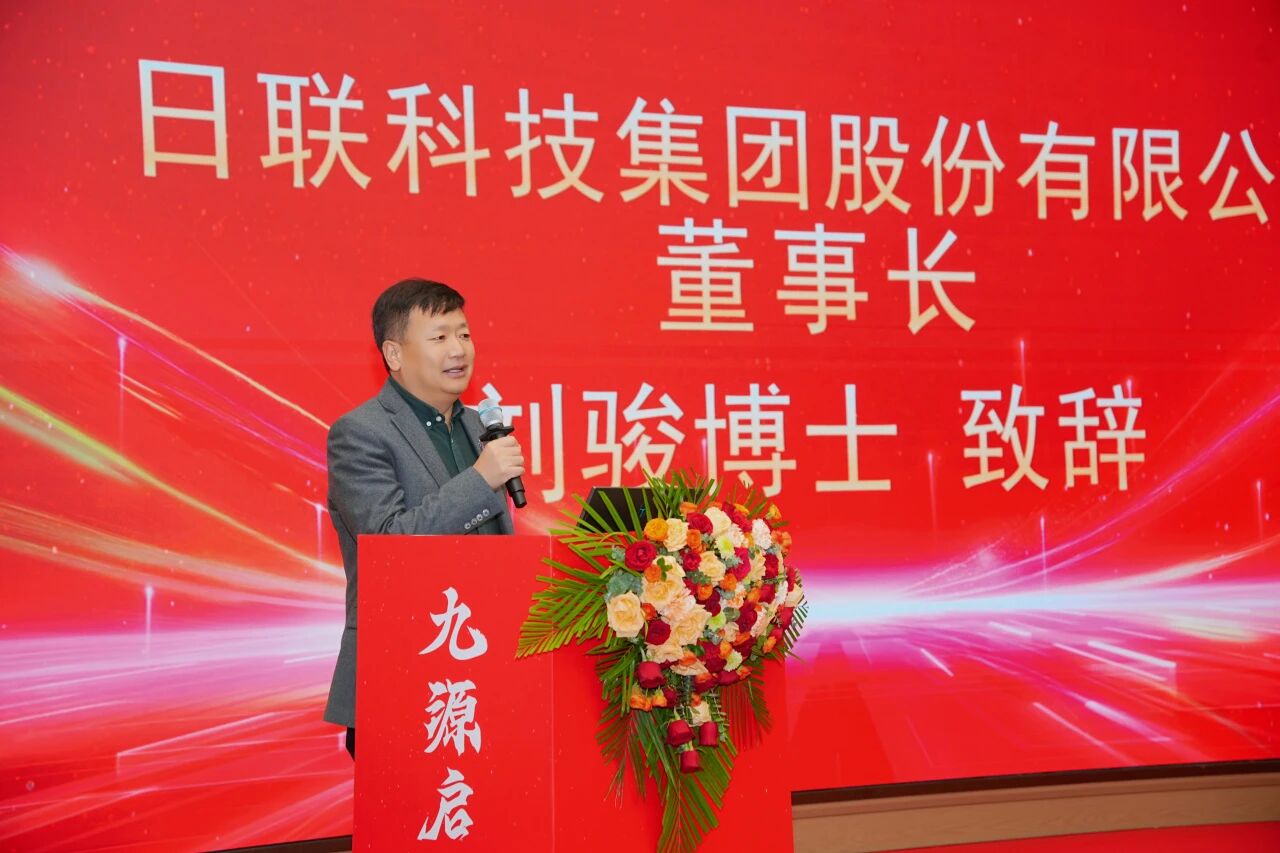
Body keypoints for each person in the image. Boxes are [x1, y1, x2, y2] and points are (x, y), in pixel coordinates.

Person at [322, 278, 524, 758]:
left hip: (485, 670)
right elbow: (388, 540)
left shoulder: (479, 427)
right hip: (400, 670)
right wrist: (481, 479)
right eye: (439, 337)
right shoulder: (359, 433)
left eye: (464, 334)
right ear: (394, 354)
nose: (458, 349)